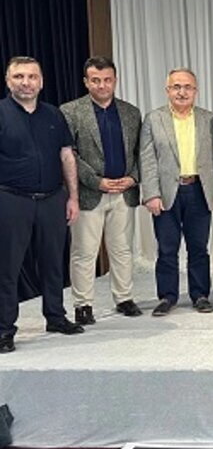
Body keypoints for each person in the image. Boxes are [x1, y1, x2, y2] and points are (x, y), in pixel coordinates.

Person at [0, 57, 82, 354]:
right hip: (11, 200)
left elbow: (66, 156)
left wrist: (73, 197)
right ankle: (4, 330)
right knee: (7, 267)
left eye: (32, 76)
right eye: (19, 76)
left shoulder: (54, 115)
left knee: (53, 262)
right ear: (8, 81)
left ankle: (56, 317)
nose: (26, 82)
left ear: (41, 81)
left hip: (52, 199)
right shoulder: (1, 113)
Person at [60, 56, 143, 324]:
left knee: (122, 250)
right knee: (84, 253)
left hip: (124, 193)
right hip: (89, 194)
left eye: (107, 80)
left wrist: (133, 178)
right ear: (86, 82)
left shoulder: (131, 113)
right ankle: (83, 305)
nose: (102, 85)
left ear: (115, 80)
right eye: (95, 80)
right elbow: (69, 155)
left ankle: (124, 298)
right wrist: (96, 181)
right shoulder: (70, 111)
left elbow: (140, 152)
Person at [139, 68, 213, 316]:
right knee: (167, 249)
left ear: (196, 91)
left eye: (187, 87)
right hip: (166, 193)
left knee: (199, 248)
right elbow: (147, 158)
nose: (182, 92)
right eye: (176, 87)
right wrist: (151, 194)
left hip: (199, 191)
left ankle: (200, 295)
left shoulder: (209, 119)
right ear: (167, 90)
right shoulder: (154, 119)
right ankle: (167, 296)